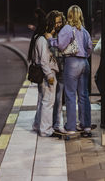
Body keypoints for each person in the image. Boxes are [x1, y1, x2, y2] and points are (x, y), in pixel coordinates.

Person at [46, 5, 93, 136]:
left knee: (70, 95)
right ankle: (86, 125)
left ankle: (71, 126)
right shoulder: (84, 30)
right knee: (84, 95)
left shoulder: (67, 28)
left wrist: (50, 40)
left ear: (69, 15)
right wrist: (84, 56)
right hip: (85, 62)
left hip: (72, 63)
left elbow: (61, 45)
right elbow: (89, 47)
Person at [28, 8, 59, 137]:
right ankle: (46, 130)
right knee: (48, 102)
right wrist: (50, 76)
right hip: (47, 73)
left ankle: (37, 125)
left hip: (42, 73)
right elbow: (44, 61)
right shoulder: (42, 40)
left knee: (41, 101)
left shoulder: (36, 37)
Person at [45, 10, 66, 133]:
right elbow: (52, 52)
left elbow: (60, 50)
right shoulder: (48, 34)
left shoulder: (63, 33)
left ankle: (57, 123)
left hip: (62, 69)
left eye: (60, 22)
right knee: (49, 99)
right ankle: (49, 123)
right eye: (56, 22)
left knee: (59, 98)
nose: (58, 24)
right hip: (52, 70)